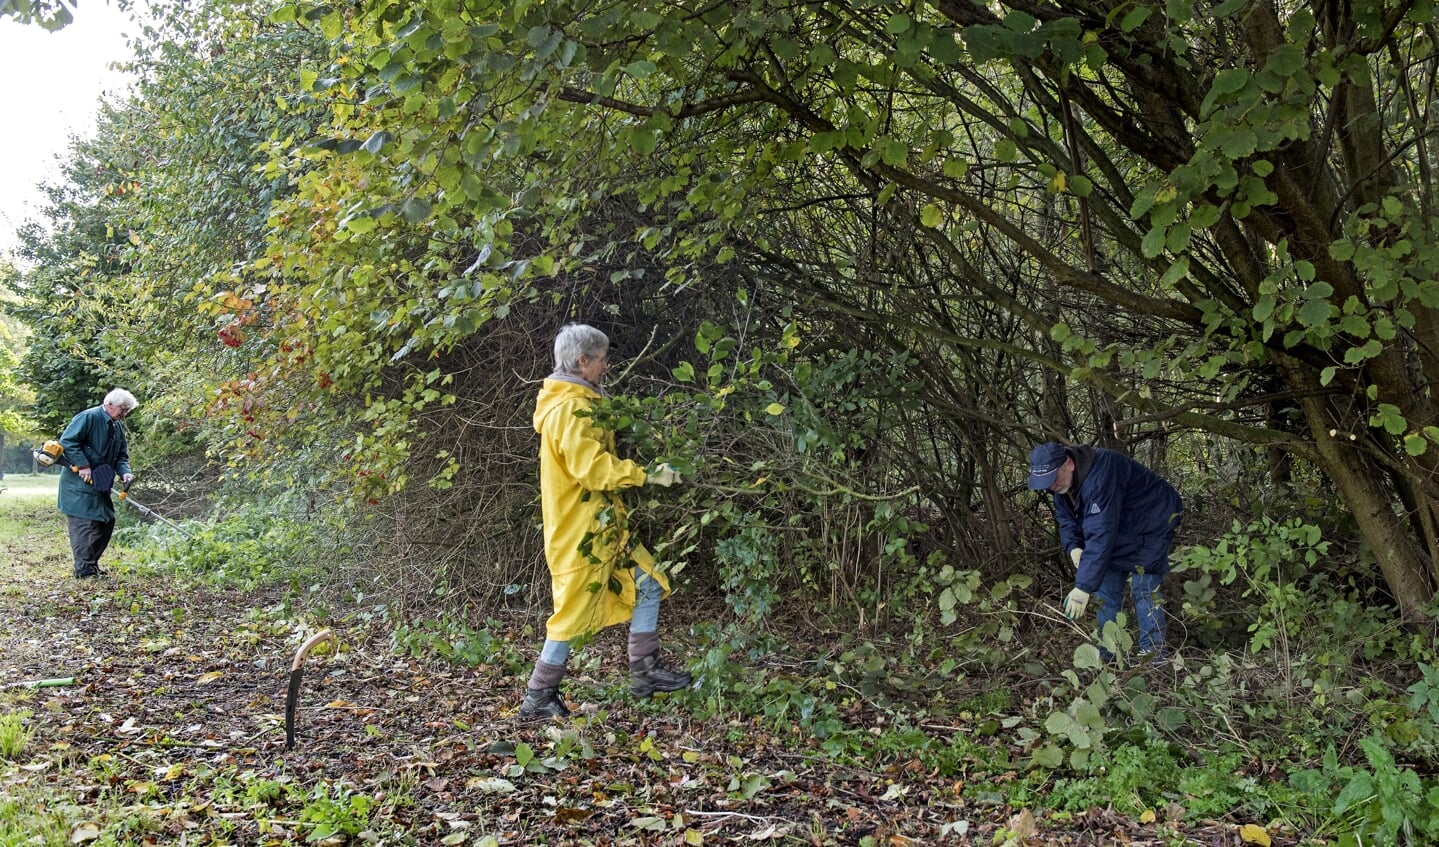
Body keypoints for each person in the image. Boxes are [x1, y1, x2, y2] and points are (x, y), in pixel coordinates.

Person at [520, 324, 691, 719]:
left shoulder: (582, 401)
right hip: (581, 531)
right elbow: (591, 469)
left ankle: (645, 672)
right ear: (582, 361)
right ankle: (538, 696)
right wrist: (647, 474)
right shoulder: (570, 409)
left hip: (606, 525)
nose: (606, 366)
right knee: (571, 615)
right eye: (601, 359)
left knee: (648, 581)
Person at [1027, 441, 1182, 660]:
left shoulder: (1102, 473)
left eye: (1052, 479)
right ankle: (1110, 654)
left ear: (1068, 464)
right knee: (1105, 589)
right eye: (1045, 482)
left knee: (1144, 587)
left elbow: (1101, 533)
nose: (1050, 486)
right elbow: (1066, 519)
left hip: (1154, 518)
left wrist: (1083, 586)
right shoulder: (1061, 484)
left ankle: (1153, 657)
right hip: (1119, 523)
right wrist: (1074, 548)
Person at [58, 388, 139, 579]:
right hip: (78, 484)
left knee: (106, 521)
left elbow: (121, 456)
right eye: (123, 409)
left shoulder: (117, 426)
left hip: (100, 483)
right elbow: (68, 442)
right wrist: (83, 465)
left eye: (127, 410)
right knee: (83, 526)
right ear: (109, 404)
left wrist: (125, 473)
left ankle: (90, 566)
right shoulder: (88, 417)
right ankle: (85, 572)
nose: (125, 413)